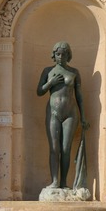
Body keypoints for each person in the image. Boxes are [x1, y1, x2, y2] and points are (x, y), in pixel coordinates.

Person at [36, 41, 89, 189]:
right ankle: (54, 181)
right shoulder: (48, 71)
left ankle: (64, 182)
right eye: (58, 54)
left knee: (66, 149)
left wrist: (83, 116)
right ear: (54, 55)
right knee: (54, 148)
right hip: (53, 112)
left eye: (63, 54)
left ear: (68, 55)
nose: (60, 57)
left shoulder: (74, 72)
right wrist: (50, 83)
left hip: (71, 113)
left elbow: (79, 96)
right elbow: (39, 91)